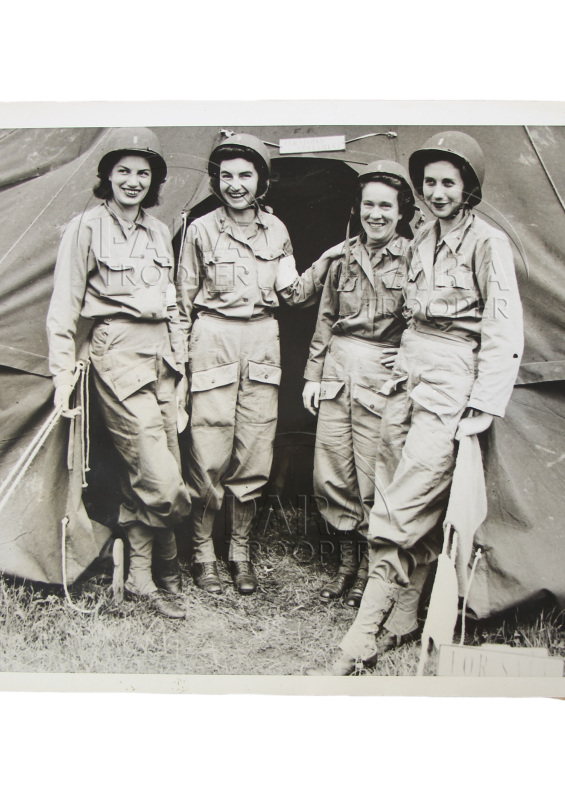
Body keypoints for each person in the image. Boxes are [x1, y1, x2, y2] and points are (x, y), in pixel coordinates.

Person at [307, 131, 524, 675]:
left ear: (468, 187)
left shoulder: (487, 242)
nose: (437, 192)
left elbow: (502, 326)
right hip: (406, 369)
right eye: (429, 182)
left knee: (406, 499)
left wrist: (484, 400)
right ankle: (404, 617)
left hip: (452, 375)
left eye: (448, 182)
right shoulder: (423, 238)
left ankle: (360, 636)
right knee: (392, 483)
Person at [177, 133, 331, 596]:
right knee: (207, 457)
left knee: (254, 455)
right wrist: (180, 369)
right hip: (213, 341)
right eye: (226, 176)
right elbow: (182, 303)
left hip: (263, 344)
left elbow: (291, 294)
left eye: (245, 174)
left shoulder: (277, 230)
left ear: (262, 180)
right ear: (215, 180)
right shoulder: (200, 229)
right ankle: (204, 555)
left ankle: (239, 553)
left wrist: (329, 261)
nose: (235, 184)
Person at [47, 127, 191, 620]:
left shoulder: (157, 230)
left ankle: (141, 577)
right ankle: (168, 561)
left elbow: (171, 305)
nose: (132, 181)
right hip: (117, 353)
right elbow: (63, 308)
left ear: (154, 182)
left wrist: (182, 369)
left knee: (154, 467)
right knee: (160, 477)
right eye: (123, 171)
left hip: (162, 358)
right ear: (106, 175)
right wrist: (62, 373)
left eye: (143, 173)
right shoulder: (84, 227)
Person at [302, 161, 415, 608]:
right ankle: (346, 566)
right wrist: (312, 375)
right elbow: (325, 318)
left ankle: (370, 571)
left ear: (401, 211)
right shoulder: (342, 256)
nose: (376, 214)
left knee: (373, 475)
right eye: (369, 204)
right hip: (336, 370)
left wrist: (401, 380)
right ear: (359, 208)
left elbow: (414, 327)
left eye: (386, 206)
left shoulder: (413, 258)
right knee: (333, 474)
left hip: (380, 374)